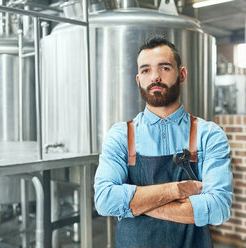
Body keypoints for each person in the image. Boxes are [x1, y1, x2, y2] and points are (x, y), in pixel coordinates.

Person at [94, 35, 233, 248]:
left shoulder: (209, 135)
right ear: (138, 79)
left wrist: (136, 204)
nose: (155, 77)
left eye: (164, 68)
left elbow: (218, 208)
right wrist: (176, 191)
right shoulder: (120, 135)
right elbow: (105, 200)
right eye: (146, 70)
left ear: (182, 74)